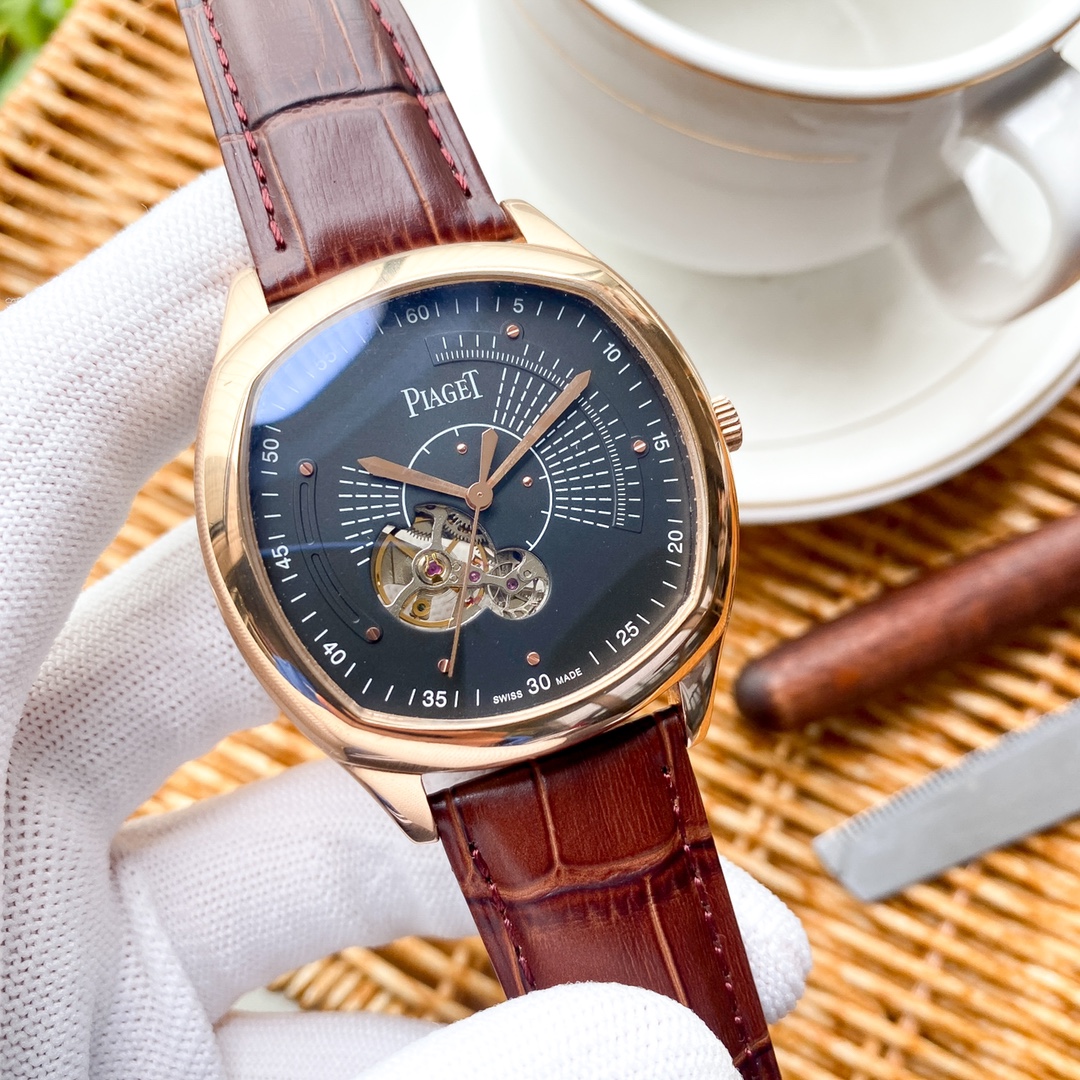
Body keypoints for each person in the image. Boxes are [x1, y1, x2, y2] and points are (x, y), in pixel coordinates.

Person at [0, 168, 811, 1079]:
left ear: (709, 428)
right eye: (460, 506)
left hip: (626, 673)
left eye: (479, 496)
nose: (474, 501)